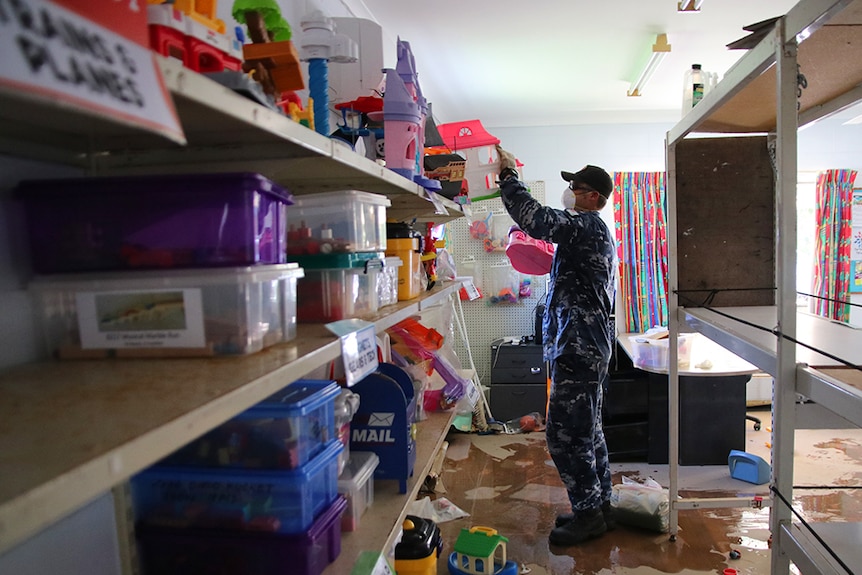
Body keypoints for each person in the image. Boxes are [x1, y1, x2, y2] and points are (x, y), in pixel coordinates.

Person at [495, 145, 616, 546]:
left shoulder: (586, 226)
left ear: (593, 196)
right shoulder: (590, 233)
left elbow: (536, 219)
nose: (570, 193)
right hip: (585, 348)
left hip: (579, 350)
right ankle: (598, 506)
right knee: (589, 431)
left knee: (564, 434)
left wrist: (509, 177)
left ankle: (588, 515)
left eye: (576, 188)